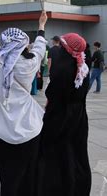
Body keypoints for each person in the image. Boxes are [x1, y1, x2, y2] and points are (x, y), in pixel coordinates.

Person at [0, 11, 48, 196]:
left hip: (3, 133)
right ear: (24, 44)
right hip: (32, 128)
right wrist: (41, 26)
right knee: (31, 174)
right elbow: (40, 48)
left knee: (8, 177)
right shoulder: (31, 65)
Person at [37, 32, 91, 196]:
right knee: (78, 153)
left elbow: (52, 94)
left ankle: (60, 188)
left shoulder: (62, 68)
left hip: (60, 116)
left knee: (58, 154)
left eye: (62, 45)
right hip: (79, 116)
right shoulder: (83, 67)